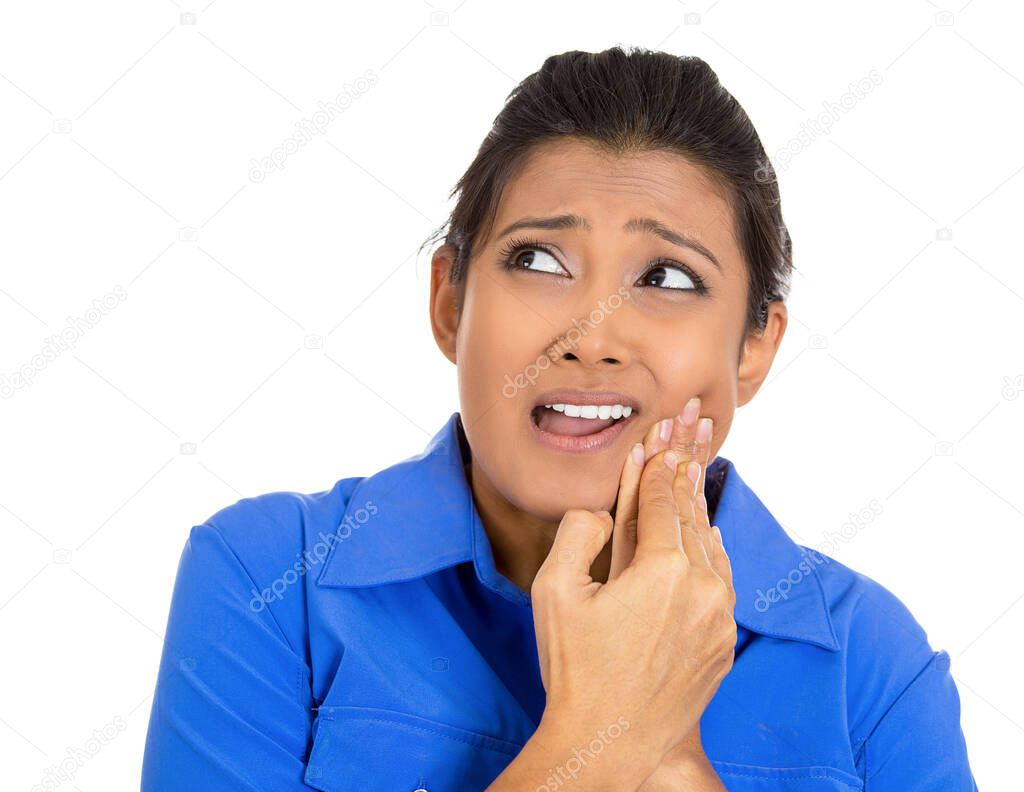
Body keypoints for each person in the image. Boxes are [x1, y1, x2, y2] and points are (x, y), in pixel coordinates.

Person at [141, 46, 977, 790]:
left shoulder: (873, 669)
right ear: (448, 303)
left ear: (754, 348)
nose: (591, 335)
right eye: (538, 260)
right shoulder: (268, 582)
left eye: (671, 277)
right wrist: (611, 733)